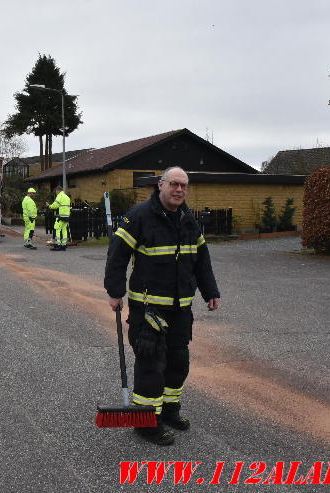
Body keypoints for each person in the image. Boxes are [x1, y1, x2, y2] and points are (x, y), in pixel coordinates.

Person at [104, 166, 221, 446]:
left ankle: (169, 412)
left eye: (184, 185)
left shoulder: (187, 220)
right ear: (161, 185)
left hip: (180, 309)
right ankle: (146, 423)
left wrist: (210, 291)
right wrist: (115, 291)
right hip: (149, 310)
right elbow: (117, 254)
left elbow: (201, 259)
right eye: (174, 184)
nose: (179, 190)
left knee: (178, 364)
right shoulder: (139, 216)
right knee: (151, 366)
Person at [47, 185, 71, 251]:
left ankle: (57, 245)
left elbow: (55, 206)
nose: (55, 193)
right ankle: (64, 245)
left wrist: (49, 206)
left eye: (56, 192)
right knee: (64, 230)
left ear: (58, 190)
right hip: (67, 216)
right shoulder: (67, 197)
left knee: (57, 228)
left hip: (60, 216)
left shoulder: (59, 196)